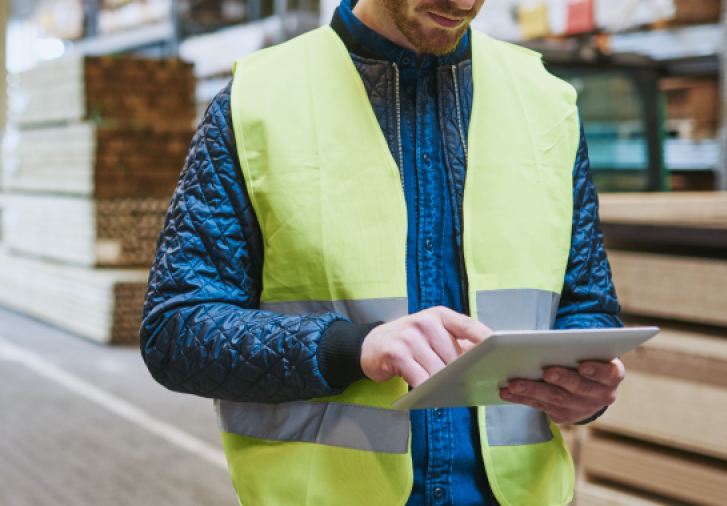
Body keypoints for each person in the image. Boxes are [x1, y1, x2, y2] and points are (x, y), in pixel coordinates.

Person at [140, 0, 625, 504]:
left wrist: (584, 390)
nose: (464, 3)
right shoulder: (256, 102)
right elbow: (176, 331)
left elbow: (588, 306)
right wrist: (353, 348)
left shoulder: (546, 102)